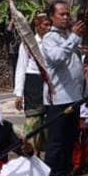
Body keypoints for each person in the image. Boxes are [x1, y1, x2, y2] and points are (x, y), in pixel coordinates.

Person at [40, 0, 86, 176]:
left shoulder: (69, 35)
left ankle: (66, 172)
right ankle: (53, 175)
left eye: (68, 14)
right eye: (62, 14)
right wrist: (74, 38)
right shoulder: (49, 38)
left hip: (74, 96)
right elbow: (58, 58)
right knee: (56, 140)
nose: (66, 17)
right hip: (58, 98)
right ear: (52, 17)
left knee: (70, 138)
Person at [13, 11, 51, 151]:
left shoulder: (54, 43)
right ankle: (32, 153)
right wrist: (19, 94)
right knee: (33, 121)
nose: (48, 28)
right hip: (33, 82)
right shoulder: (27, 44)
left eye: (50, 25)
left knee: (49, 120)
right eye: (45, 25)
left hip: (50, 83)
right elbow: (21, 68)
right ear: (37, 26)